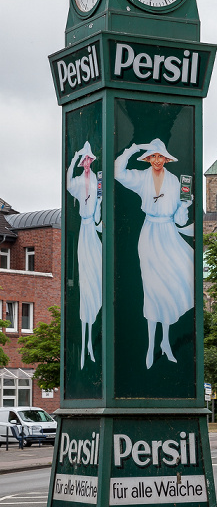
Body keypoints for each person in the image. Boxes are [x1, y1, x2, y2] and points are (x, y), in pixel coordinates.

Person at [114, 138, 193, 369]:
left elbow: (180, 217)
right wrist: (132, 149)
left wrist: (185, 206)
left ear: (166, 159)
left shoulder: (175, 181)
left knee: (167, 287)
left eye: (161, 157)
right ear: (149, 159)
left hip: (168, 232)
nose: (157, 160)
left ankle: (166, 343)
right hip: (149, 233)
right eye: (154, 156)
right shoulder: (140, 178)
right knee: (151, 288)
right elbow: (118, 172)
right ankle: (150, 346)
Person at [67, 141, 102, 370]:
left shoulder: (97, 182)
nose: (87, 162)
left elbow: (100, 207)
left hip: (94, 231)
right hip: (84, 229)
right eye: (85, 160)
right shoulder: (79, 182)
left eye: (89, 159)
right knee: (85, 280)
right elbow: (68, 183)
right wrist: (73, 159)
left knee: (96, 279)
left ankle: (91, 342)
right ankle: (85, 341)